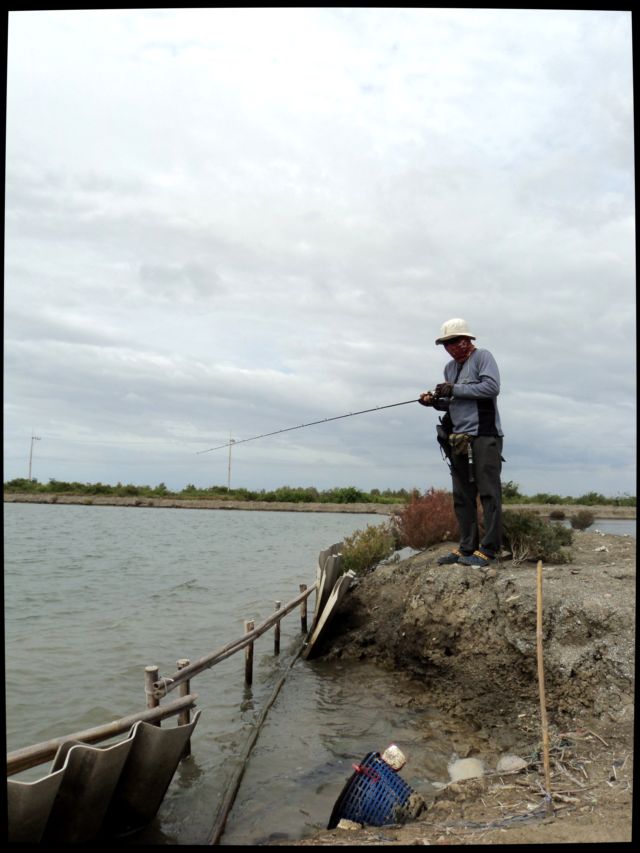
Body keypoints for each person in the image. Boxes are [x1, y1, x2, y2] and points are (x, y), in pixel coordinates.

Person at [418, 318, 503, 568]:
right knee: (462, 495)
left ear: (468, 340)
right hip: (458, 438)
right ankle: (467, 547)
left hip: (484, 435)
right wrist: (433, 402)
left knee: (489, 493)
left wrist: (453, 389)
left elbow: (491, 388)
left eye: (455, 341)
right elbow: (454, 402)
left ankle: (489, 550)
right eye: (446, 343)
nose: (451, 346)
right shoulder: (449, 368)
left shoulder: (483, 357)